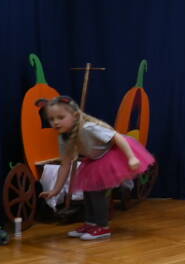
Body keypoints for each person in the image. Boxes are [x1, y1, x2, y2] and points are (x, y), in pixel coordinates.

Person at [39, 96, 156, 240]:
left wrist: (131, 157)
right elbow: (65, 165)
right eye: (51, 119)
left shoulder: (88, 128)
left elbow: (117, 137)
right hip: (94, 160)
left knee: (97, 194)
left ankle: (102, 227)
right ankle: (91, 223)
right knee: (88, 192)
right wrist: (55, 190)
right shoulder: (64, 138)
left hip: (111, 155)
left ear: (75, 115)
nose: (55, 122)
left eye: (60, 117)